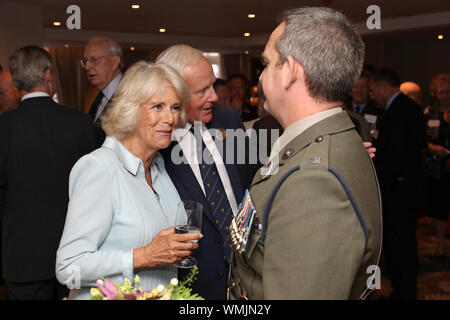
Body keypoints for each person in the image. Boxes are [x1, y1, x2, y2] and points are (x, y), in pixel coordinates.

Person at [229, 7, 382, 300]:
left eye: (267, 64)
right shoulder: (329, 138)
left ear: (289, 72)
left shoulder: (313, 181)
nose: (260, 78)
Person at [56, 61, 202, 300]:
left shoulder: (158, 167)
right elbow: (68, 268)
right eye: (157, 106)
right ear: (130, 110)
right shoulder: (99, 168)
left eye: (175, 107)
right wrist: (144, 255)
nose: (169, 118)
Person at [156, 45, 257, 300]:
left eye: (212, 86)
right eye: (202, 91)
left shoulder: (227, 118)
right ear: (173, 93)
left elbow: (254, 177)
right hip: (196, 287)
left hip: (248, 276)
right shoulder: (158, 142)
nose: (214, 96)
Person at [0, 45, 96, 300]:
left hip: (22, 259)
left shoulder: (4, 128)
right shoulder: (81, 124)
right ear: (47, 76)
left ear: (18, 81)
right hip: (76, 254)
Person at [370, 68, 427, 300]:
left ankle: (405, 292)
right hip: (401, 189)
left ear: (384, 87)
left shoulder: (401, 110)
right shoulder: (401, 108)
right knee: (399, 245)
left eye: (373, 91)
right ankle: (402, 290)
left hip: (400, 192)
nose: (373, 96)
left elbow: (397, 155)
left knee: (402, 246)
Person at [424, 73, 450, 259]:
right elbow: (421, 139)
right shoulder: (429, 112)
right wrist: (433, 147)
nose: (445, 96)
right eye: (441, 92)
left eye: (448, 92)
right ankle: (441, 246)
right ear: (435, 93)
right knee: (440, 207)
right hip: (438, 167)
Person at [82, 37, 123, 147]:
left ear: (115, 62)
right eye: (85, 61)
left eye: (94, 60)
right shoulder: (100, 98)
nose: (87, 67)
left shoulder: (128, 94)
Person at [352, 74, 382, 140]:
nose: (359, 91)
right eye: (356, 86)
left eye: (363, 87)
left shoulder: (378, 111)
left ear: (369, 89)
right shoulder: (342, 109)